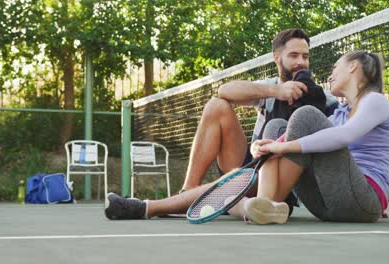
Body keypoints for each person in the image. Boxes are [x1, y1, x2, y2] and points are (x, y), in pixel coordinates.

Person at [104, 28, 336, 220]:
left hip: (278, 178)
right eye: (294, 55)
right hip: (250, 162)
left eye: (305, 56)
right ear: (277, 58)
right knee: (217, 106)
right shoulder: (271, 87)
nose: (301, 62)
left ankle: (153, 206)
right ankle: (187, 193)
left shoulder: (321, 98)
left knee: (241, 174)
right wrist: (277, 91)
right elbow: (224, 91)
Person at [241, 50, 389, 224]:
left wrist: (282, 147)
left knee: (306, 115)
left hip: (363, 197)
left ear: (353, 66)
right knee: (275, 126)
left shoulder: (375, 100)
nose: (330, 76)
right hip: (325, 203)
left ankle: (267, 203)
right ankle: (266, 205)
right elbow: (293, 136)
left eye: (335, 68)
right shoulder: (340, 112)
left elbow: (344, 135)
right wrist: (263, 146)